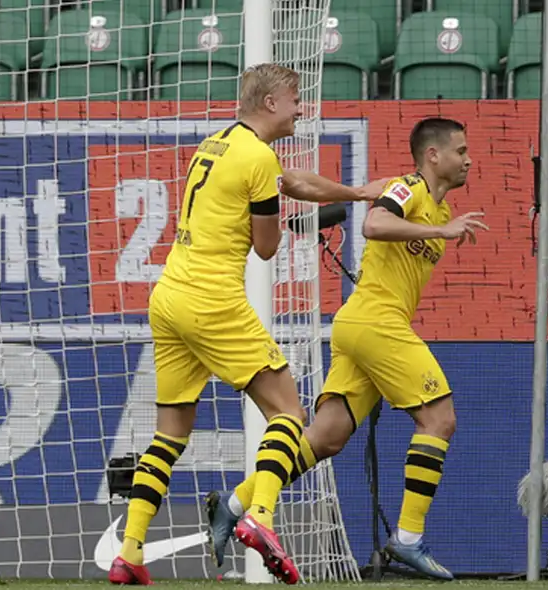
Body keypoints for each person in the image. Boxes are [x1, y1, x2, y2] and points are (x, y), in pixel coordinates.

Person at [107, 63, 387, 587]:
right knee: (288, 410)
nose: (302, 109)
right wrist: (287, 219)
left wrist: (354, 194)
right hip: (214, 298)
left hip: (170, 295)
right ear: (270, 103)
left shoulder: (218, 143)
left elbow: (290, 181)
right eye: (295, 99)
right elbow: (266, 246)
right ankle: (261, 516)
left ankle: (130, 552)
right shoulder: (259, 158)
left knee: (170, 434)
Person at [205, 117, 489, 581]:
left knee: (325, 438)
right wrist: (440, 233)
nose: (468, 159)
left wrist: (439, 227)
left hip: (358, 326)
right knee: (439, 418)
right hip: (377, 321)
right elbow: (375, 223)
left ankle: (233, 506)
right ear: (433, 155)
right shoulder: (407, 187)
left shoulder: (437, 209)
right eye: (460, 150)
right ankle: (409, 539)